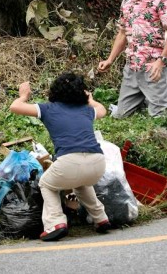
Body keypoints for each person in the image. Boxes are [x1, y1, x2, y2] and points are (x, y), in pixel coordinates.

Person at [9, 72, 111, 241]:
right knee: (81, 183)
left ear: (54, 91)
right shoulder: (86, 110)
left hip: (69, 162)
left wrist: (23, 96)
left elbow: (15, 107)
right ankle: (101, 218)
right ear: (81, 92)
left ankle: (55, 223)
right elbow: (102, 110)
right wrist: (90, 100)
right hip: (98, 162)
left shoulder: (47, 108)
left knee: (47, 184)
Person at [97, 0, 167, 118]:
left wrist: (160, 61)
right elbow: (122, 33)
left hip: (152, 66)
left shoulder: (161, 0)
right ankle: (142, 101)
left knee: (161, 116)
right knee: (120, 116)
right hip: (132, 66)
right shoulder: (127, 0)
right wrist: (110, 60)